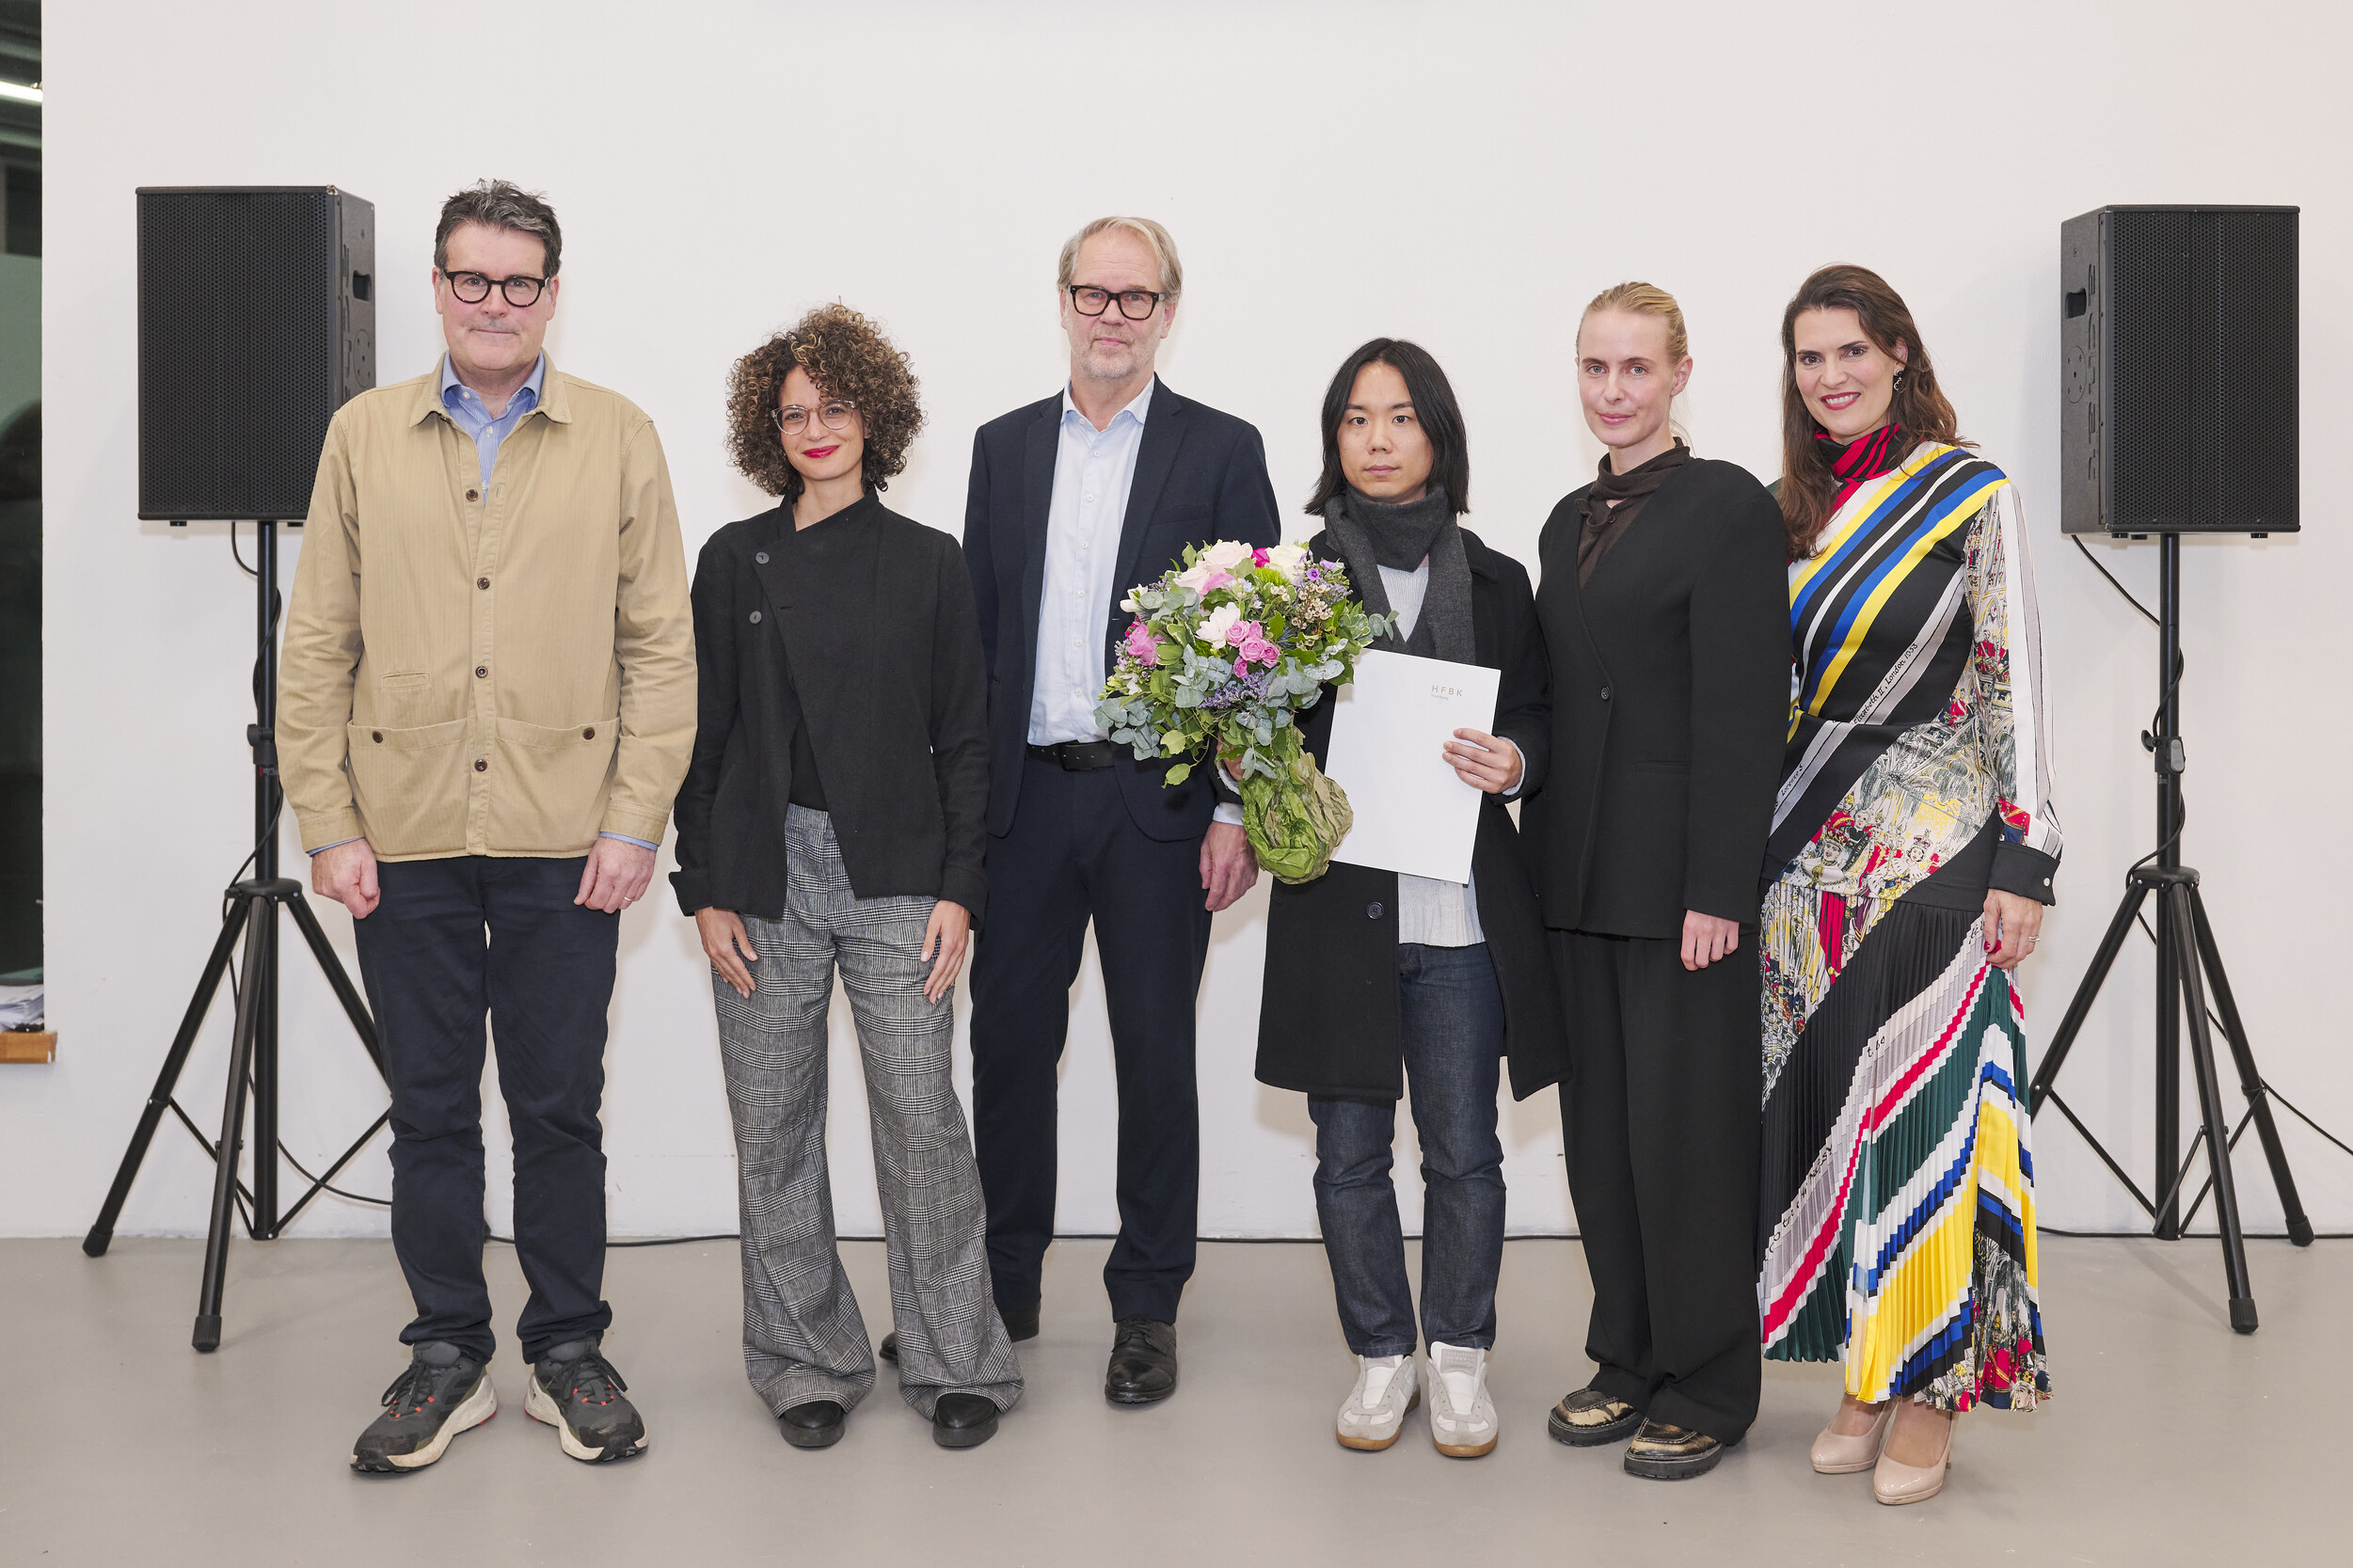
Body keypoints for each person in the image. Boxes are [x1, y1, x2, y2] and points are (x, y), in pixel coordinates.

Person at [278, 180, 696, 1473]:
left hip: (568, 839)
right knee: (429, 1112)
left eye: (519, 282)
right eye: (472, 278)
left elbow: (660, 647)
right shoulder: (361, 435)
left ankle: (567, 1349)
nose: (494, 302)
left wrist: (633, 822)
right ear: (438, 287)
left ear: (552, 293)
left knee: (559, 1109)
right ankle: (447, 1355)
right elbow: (316, 643)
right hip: (398, 834)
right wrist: (326, 821)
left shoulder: (619, 435)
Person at [671, 304, 1022, 1451]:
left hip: (899, 875)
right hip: (758, 875)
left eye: (834, 406)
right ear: (767, 432)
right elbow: (701, 733)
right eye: (793, 414)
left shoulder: (928, 562)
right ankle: (805, 1361)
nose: (815, 428)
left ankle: (956, 1356)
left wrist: (959, 887)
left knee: (922, 1118)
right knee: (771, 1124)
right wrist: (702, 882)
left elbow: (964, 739)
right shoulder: (733, 558)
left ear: (875, 416)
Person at [962, 215, 1279, 1405]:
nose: (1110, 315)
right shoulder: (1001, 448)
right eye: (1092, 293)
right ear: (1062, 300)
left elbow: (1258, 650)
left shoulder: (1220, 448)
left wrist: (1236, 807)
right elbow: (977, 639)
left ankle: (1146, 1303)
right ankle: (1001, 1289)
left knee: (1154, 1056)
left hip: (1158, 807)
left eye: (1133, 297)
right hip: (1023, 804)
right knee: (1006, 1051)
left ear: (1165, 312)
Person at [1757, 264, 2059, 1506]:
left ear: (1897, 353)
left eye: (1850, 350)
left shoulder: (1969, 491)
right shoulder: (1786, 511)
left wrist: (2025, 857)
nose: (1829, 375)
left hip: (1939, 858)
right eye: (1808, 356)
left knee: (1932, 1123)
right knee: (1842, 1124)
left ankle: (1932, 1389)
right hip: (1804, 867)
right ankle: (1867, 1370)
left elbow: (2012, 675)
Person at [1253, 340, 1562, 1459]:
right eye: (1354, 418)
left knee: (1462, 1151)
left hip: (1461, 915)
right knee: (1345, 1152)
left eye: (1397, 417)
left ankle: (1459, 1353)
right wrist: (1248, 753)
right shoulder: (1287, 586)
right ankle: (1381, 1352)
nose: (1376, 439)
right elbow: (1263, 731)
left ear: (1437, 433)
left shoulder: (1498, 579)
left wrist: (1514, 762)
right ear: (1332, 438)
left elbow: (1539, 716)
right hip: (1338, 912)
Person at [1527, 283, 1789, 1480]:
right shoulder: (1563, 518)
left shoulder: (1727, 505)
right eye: (1595, 367)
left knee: (1684, 1139)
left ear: (1680, 374)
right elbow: (1560, 696)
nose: (1613, 389)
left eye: (1635, 367)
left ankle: (1708, 1380)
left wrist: (1718, 888)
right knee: (1601, 1142)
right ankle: (1626, 1355)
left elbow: (1743, 709)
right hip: (1574, 877)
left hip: (1681, 886)